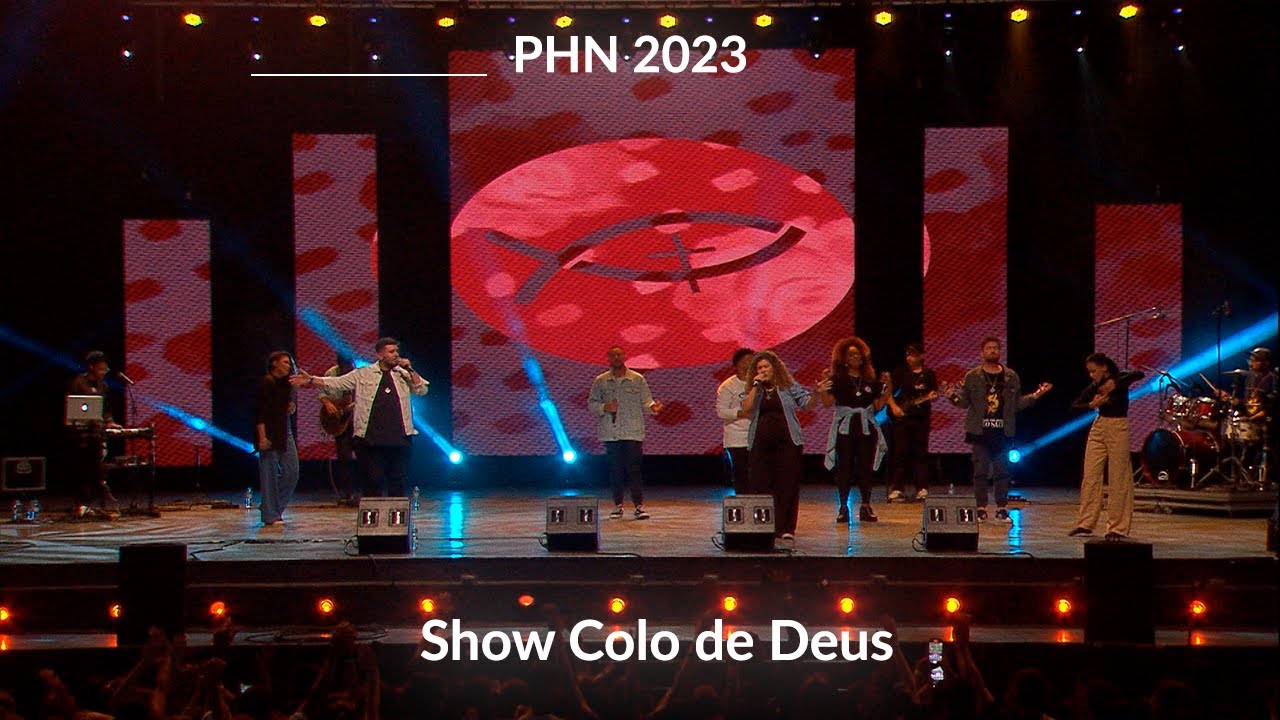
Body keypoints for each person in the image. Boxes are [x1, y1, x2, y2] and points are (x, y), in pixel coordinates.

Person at [295, 337, 429, 498]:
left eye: (397, 351)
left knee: (397, 481)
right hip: (370, 438)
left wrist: (410, 369)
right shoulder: (364, 373)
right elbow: (337, 382)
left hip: (399, 437)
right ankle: (372, 514)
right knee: (372, 481)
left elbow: (421, 389)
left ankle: (396, 514)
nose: (396, 355)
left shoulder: (403, 374)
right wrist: (311, 380)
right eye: (391, 351)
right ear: (380, 355)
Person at [944, 337, 1052, 523]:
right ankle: (980, 508)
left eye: (995, 348)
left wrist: (1036, 395)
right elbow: (964, 402)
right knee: (980, 471)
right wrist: (951, 396)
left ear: (1000, 352)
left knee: (1002, 471)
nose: (992, 351)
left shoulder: (1011, 376)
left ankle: (1002, 508)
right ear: (982, 352)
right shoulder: (972, 376)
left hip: (1003, 432)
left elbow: (1017, 404)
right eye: (988, 348)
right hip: (979, 431)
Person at [742, 350, 816, 542]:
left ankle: (786, 527)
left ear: (774, 368)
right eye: (759, 368)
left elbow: (807, 404)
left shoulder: (787, 386)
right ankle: (764, 526)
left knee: (786, 483)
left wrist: (817, 393)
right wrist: (756, 386)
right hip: (760, 443)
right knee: (760, 483)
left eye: (766, 366)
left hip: (787, 442)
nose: (763, 370)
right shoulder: (755, 389)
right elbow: (746, 408)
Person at [1068, 353, 1144, 539]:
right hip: (1099, 425)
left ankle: (1117, 527)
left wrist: (1114, 384)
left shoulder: (1120, 378)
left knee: (1119, 476)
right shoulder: (1095, 387)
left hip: (1118, 426)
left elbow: (1138, 374)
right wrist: (1091, 404)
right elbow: (1074, 405)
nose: (1091, 375)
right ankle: (1086, 522)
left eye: (1094, 371)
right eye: (1089, 372)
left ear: (1104, 367)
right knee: (1091, 475)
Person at [588, 346, 664, 520]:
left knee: (634, 469)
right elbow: (592, 403)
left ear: (624, 357)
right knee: (615, 470)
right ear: (608, 358)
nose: (616, 357)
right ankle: (618, 505)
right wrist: (604, 407)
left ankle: (638, 506)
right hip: (611, 432)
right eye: (612, 355)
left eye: (619, 354)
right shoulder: (601, 381)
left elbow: (646, 401)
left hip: (632, 431)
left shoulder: (637, 379)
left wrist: (653, 408)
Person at [819, 337, 888, 523]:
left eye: (857, 354)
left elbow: (878, 405)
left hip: (866, 429)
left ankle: (866, 505)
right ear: (843, 358)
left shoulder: (870, 380)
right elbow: (827, 403)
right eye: (850, 354)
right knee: (845, 467)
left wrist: (888, 388)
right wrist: (823, 388)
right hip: (845, 428)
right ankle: (843, 507)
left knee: (865, 467)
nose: (855, 357)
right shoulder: (837, 379)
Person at [66, 350, 122, 517]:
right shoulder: (78, 383)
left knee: (96, 470)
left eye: (105, 369)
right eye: (101, 369)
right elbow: (72, 407)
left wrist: (110, 421)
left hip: (96, 435)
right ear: (91, 367)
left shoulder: (103, 386)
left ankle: (91, 504)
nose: (104, 372)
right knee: (82, 470)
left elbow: (106, 410)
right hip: (80, 436)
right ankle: (81, 505)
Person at [886, 343, 940, 503]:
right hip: (902, 419)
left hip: (921, 419)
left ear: (921, 356)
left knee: (921, 453)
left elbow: (934, 393)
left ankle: (922, 488)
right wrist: (894, 407)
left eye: (913, 354)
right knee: (900, 453)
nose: (909, 358)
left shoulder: (928, 374)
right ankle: (897, 488)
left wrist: (932, 397)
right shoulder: (900, 373)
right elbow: (888, 393)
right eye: (908, 355)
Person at [255, 351, 298, 526]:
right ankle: (270, 514)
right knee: (269, 475)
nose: (289, 366)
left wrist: (292, 403)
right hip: (269, 431)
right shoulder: (267, 383)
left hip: (284, 430)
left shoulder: (286, 385)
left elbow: (290, 401)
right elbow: (260, 413)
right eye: (285, 362)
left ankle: (271, 507)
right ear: (274, 363)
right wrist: (262, 437)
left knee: (292, 472)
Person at [715, 347, 755, 493]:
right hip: (737, 438)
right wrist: (741, 413)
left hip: (757, 435)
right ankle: (743, 501)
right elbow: (721, 411)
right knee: (741, 473)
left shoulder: (760, 383)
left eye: (752, 361)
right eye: (746, 361)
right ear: (737, 364)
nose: (749, 364)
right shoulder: (728, 386)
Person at [321, 354, 357, 505]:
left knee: (365, 456)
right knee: (344, 457)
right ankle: (347, 493)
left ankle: (366, 493)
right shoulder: (331, 373)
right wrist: (328, 404)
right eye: (344, 368)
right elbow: (322, 393)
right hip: (341, 420)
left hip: (357, 420)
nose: (347, 370)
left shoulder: (360, 374)